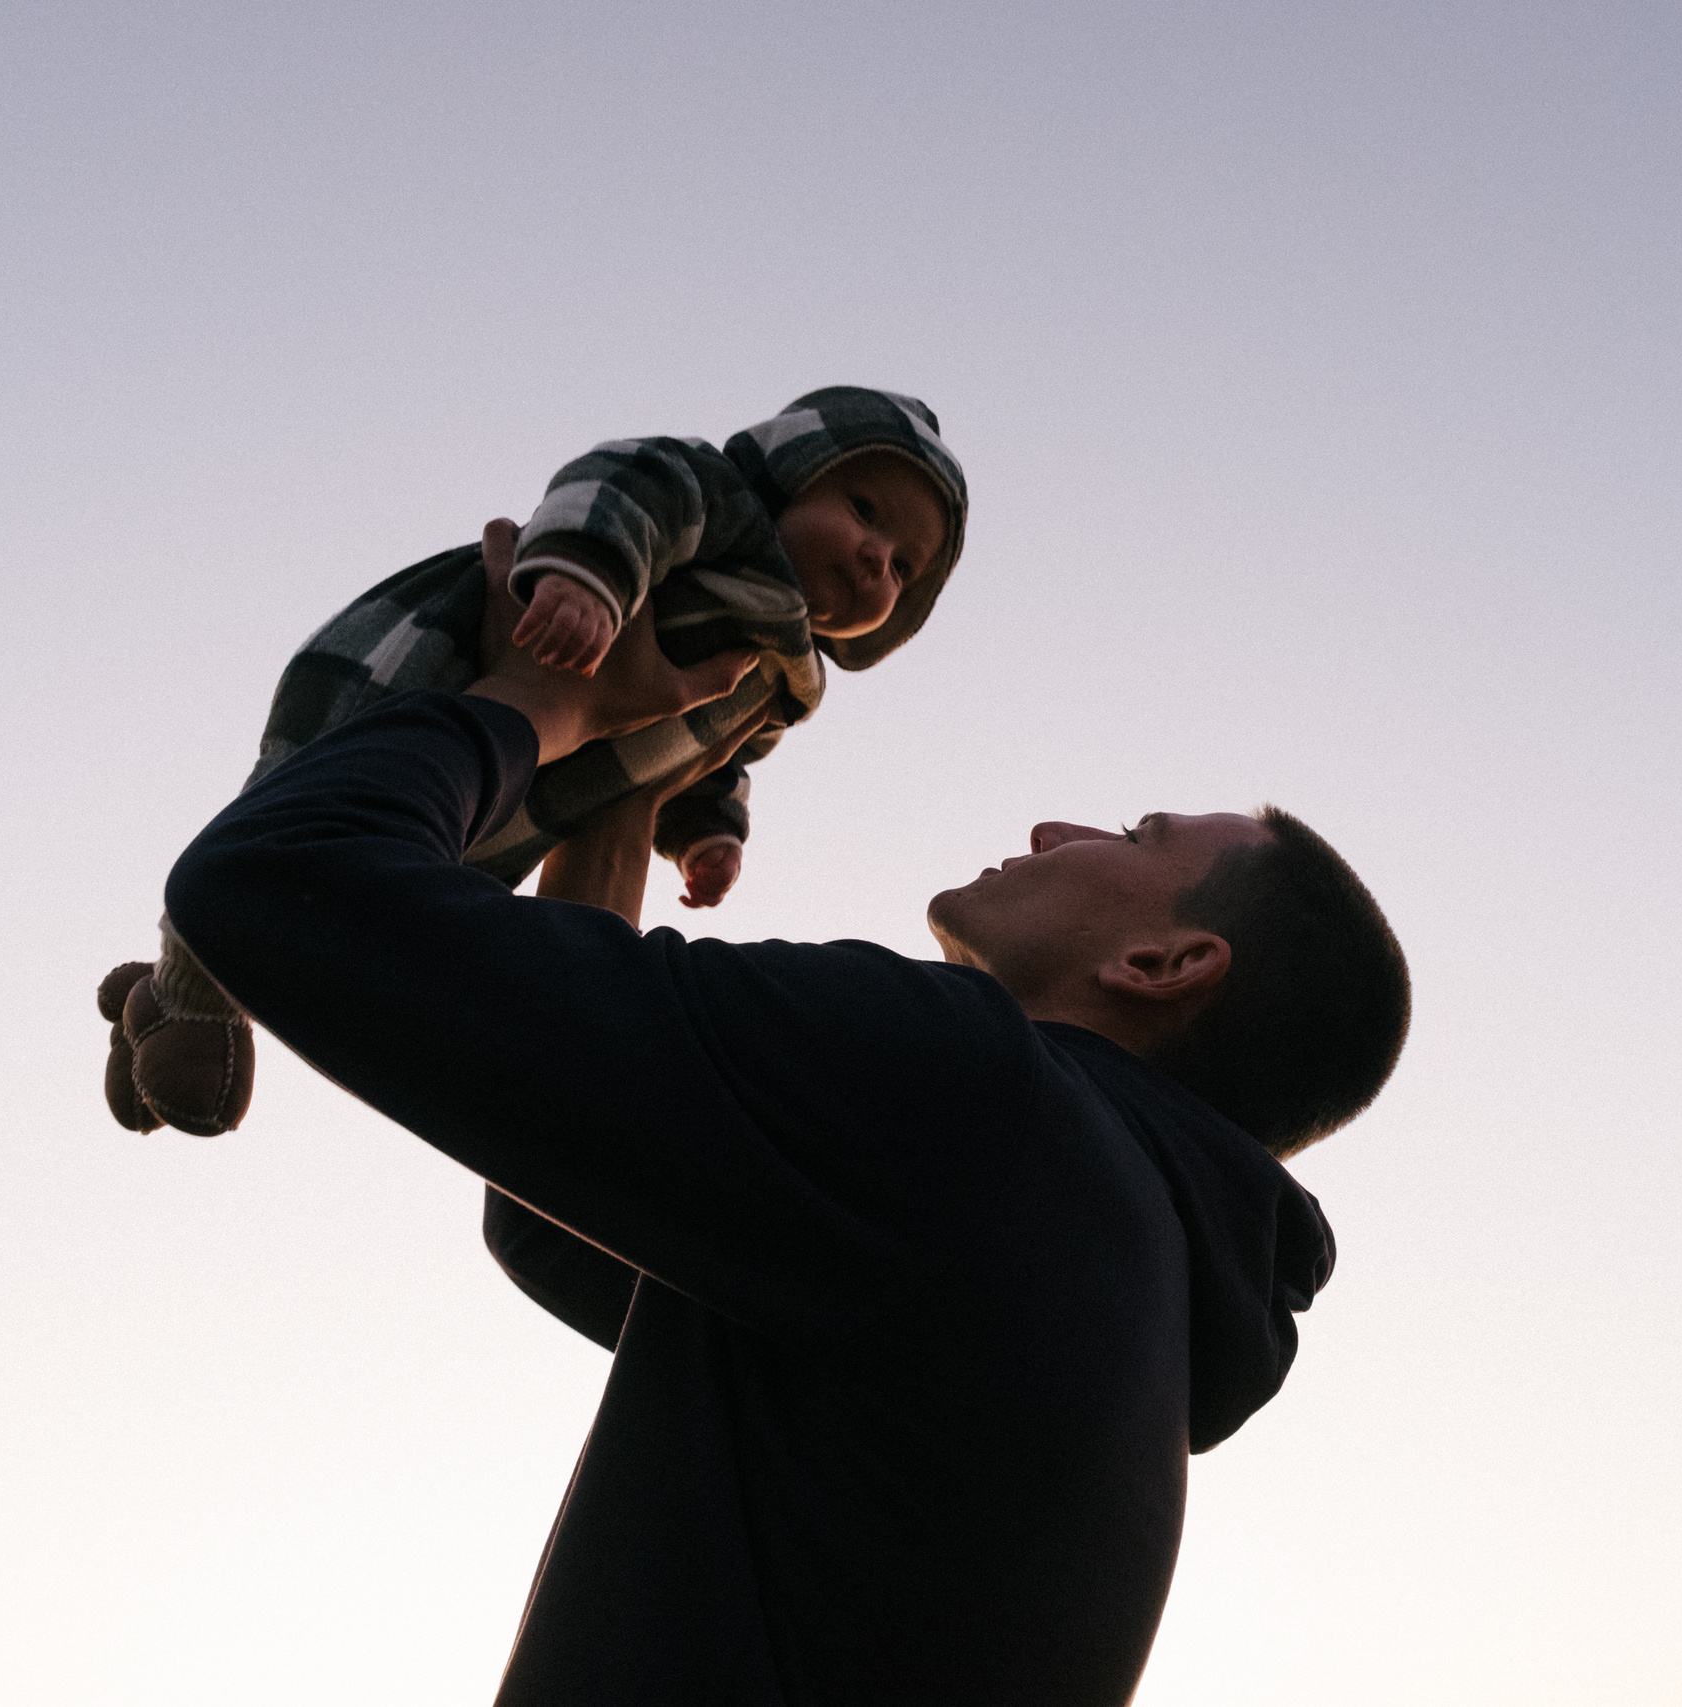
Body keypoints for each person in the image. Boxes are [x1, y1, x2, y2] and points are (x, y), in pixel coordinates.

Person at [159, 573, 1411, 1704]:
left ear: (1163, 963)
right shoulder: (1108, 1262)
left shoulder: (984, 1101)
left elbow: (280, 878)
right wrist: (621, 791)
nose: (1053, 832)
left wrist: (538, 699)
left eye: (1135, 840)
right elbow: (563, 1221)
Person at [101, 385, 968, 1138]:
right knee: (323, 805)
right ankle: (197, 1003)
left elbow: (719, 757)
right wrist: (586, 580)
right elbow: (623, 486)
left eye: (902, 567)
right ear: (790, 472)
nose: (874, 561)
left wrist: (709, 831)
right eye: (863, 510)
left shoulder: (785, 676)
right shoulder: (721, 508)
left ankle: (161, 994)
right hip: (444, 663)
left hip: (542, 783)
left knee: (389, 888)